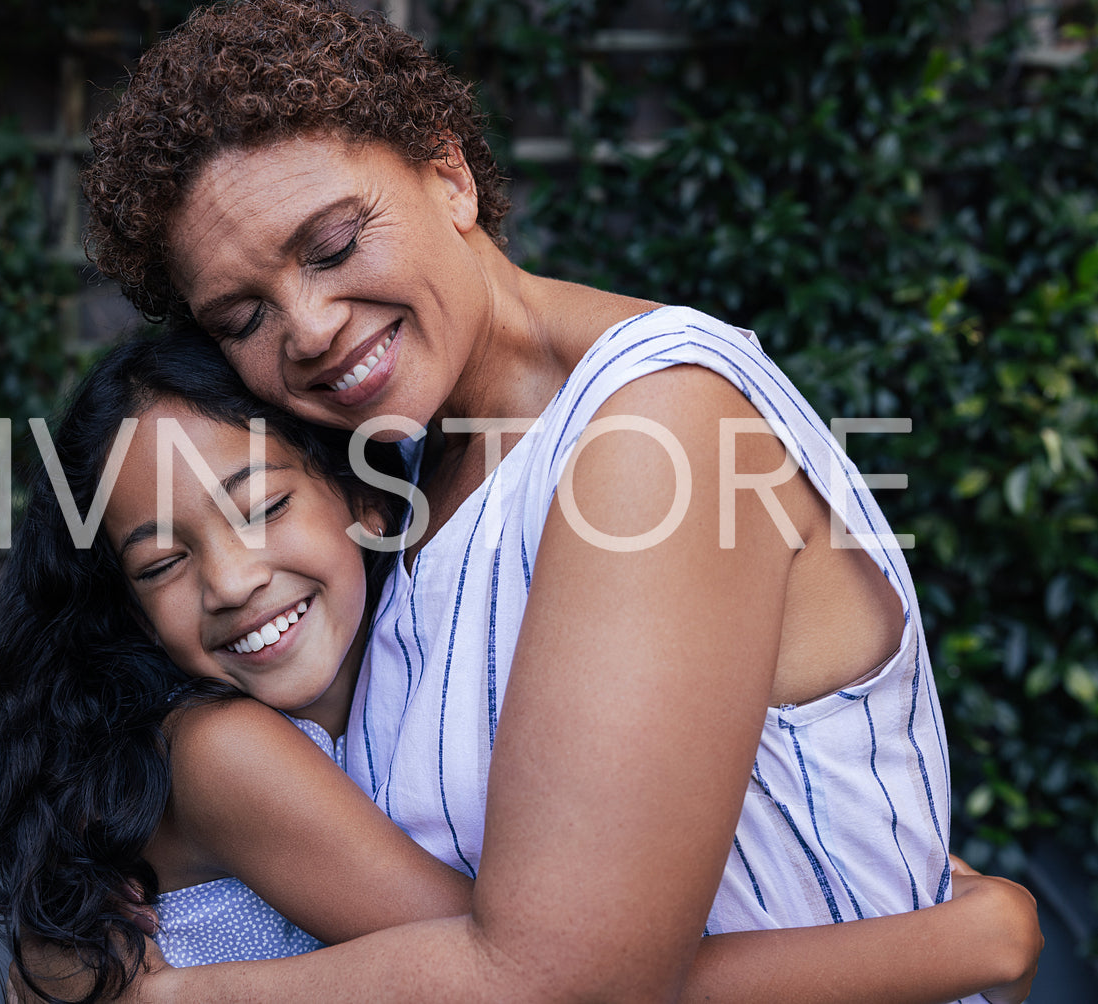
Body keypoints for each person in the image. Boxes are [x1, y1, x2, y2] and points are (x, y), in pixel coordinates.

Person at [59, 0, 1044, 1001]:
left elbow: (565, 981)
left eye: (332, 245)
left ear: (448, 175)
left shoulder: (657, 434)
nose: (307, 326)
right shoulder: (407, 475)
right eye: (242, 313)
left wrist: (169, 995)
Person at [0, 332, 472, 998]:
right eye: (162, 564)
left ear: (363, 499)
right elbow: (523, 963)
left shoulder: (408, 678)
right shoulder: (221, 750)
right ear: (137, 615)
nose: (230, 582)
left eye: (264, 509)